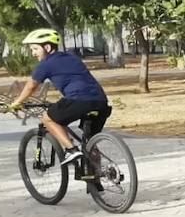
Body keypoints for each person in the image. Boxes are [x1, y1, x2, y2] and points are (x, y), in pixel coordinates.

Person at [9, 29, 111, 167]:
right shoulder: (72, 57)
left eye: (35, 49)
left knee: (47, 118)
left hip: (78, 100)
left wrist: (17, 102)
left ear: (47, 47)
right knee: (90, 142)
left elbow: (31, 87)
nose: (33, 53)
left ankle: (71, 149)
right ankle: (97, 178)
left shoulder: (46, 64)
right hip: (101, 102)